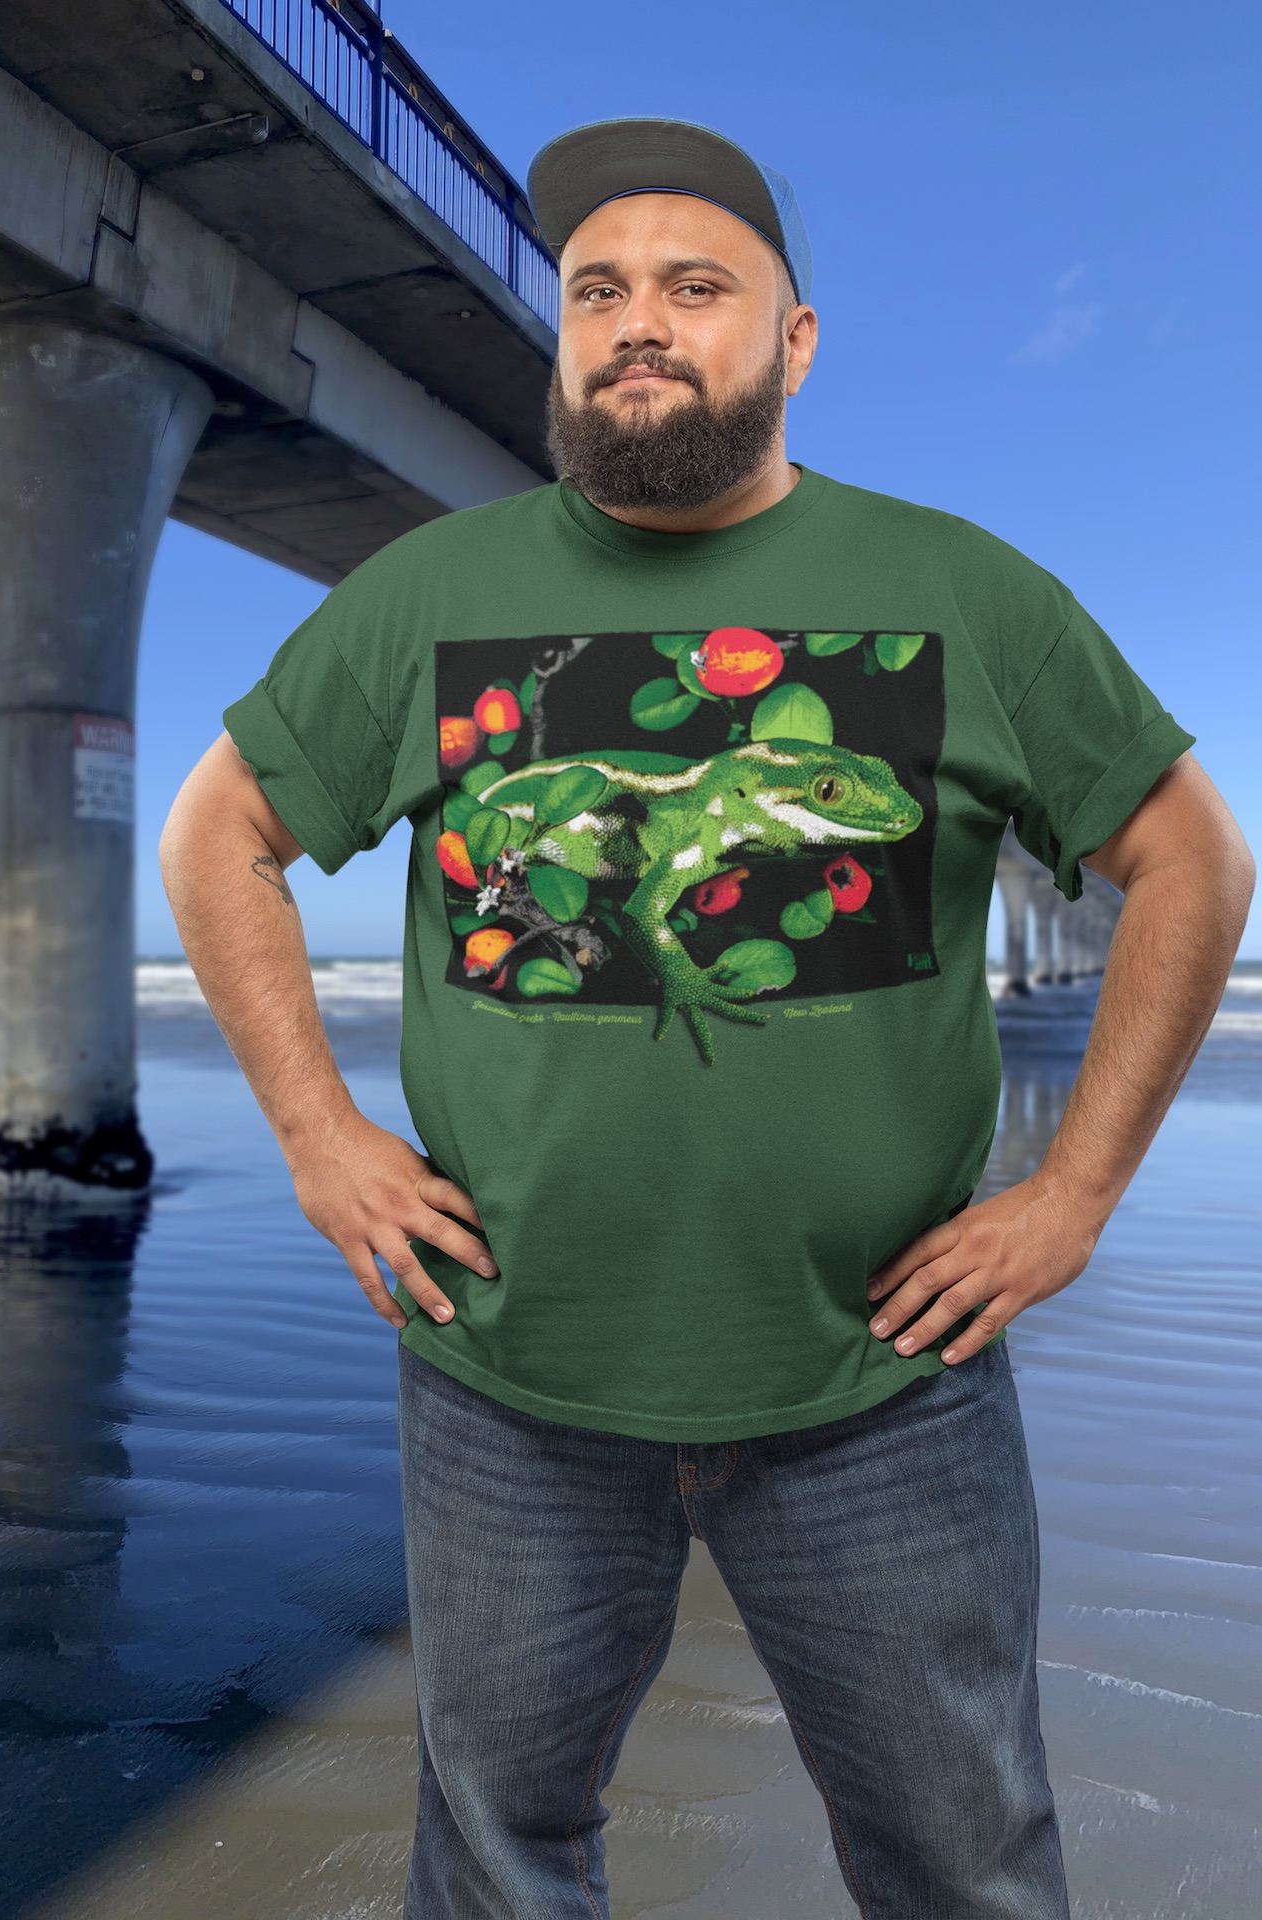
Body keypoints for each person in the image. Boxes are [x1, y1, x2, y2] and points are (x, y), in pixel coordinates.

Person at [161, 117, 1253, 1920]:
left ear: (794, 342)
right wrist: (316, 1136)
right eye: (597, 293)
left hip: (881, 1384)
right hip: (509, 1378)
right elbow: (219, 835)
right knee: (501, 1859)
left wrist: (1074, 1198)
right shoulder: (433, 594)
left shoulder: (960, 587)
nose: (639, 325)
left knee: (967, 1866)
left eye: (694, 286)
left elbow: (1192, 861)